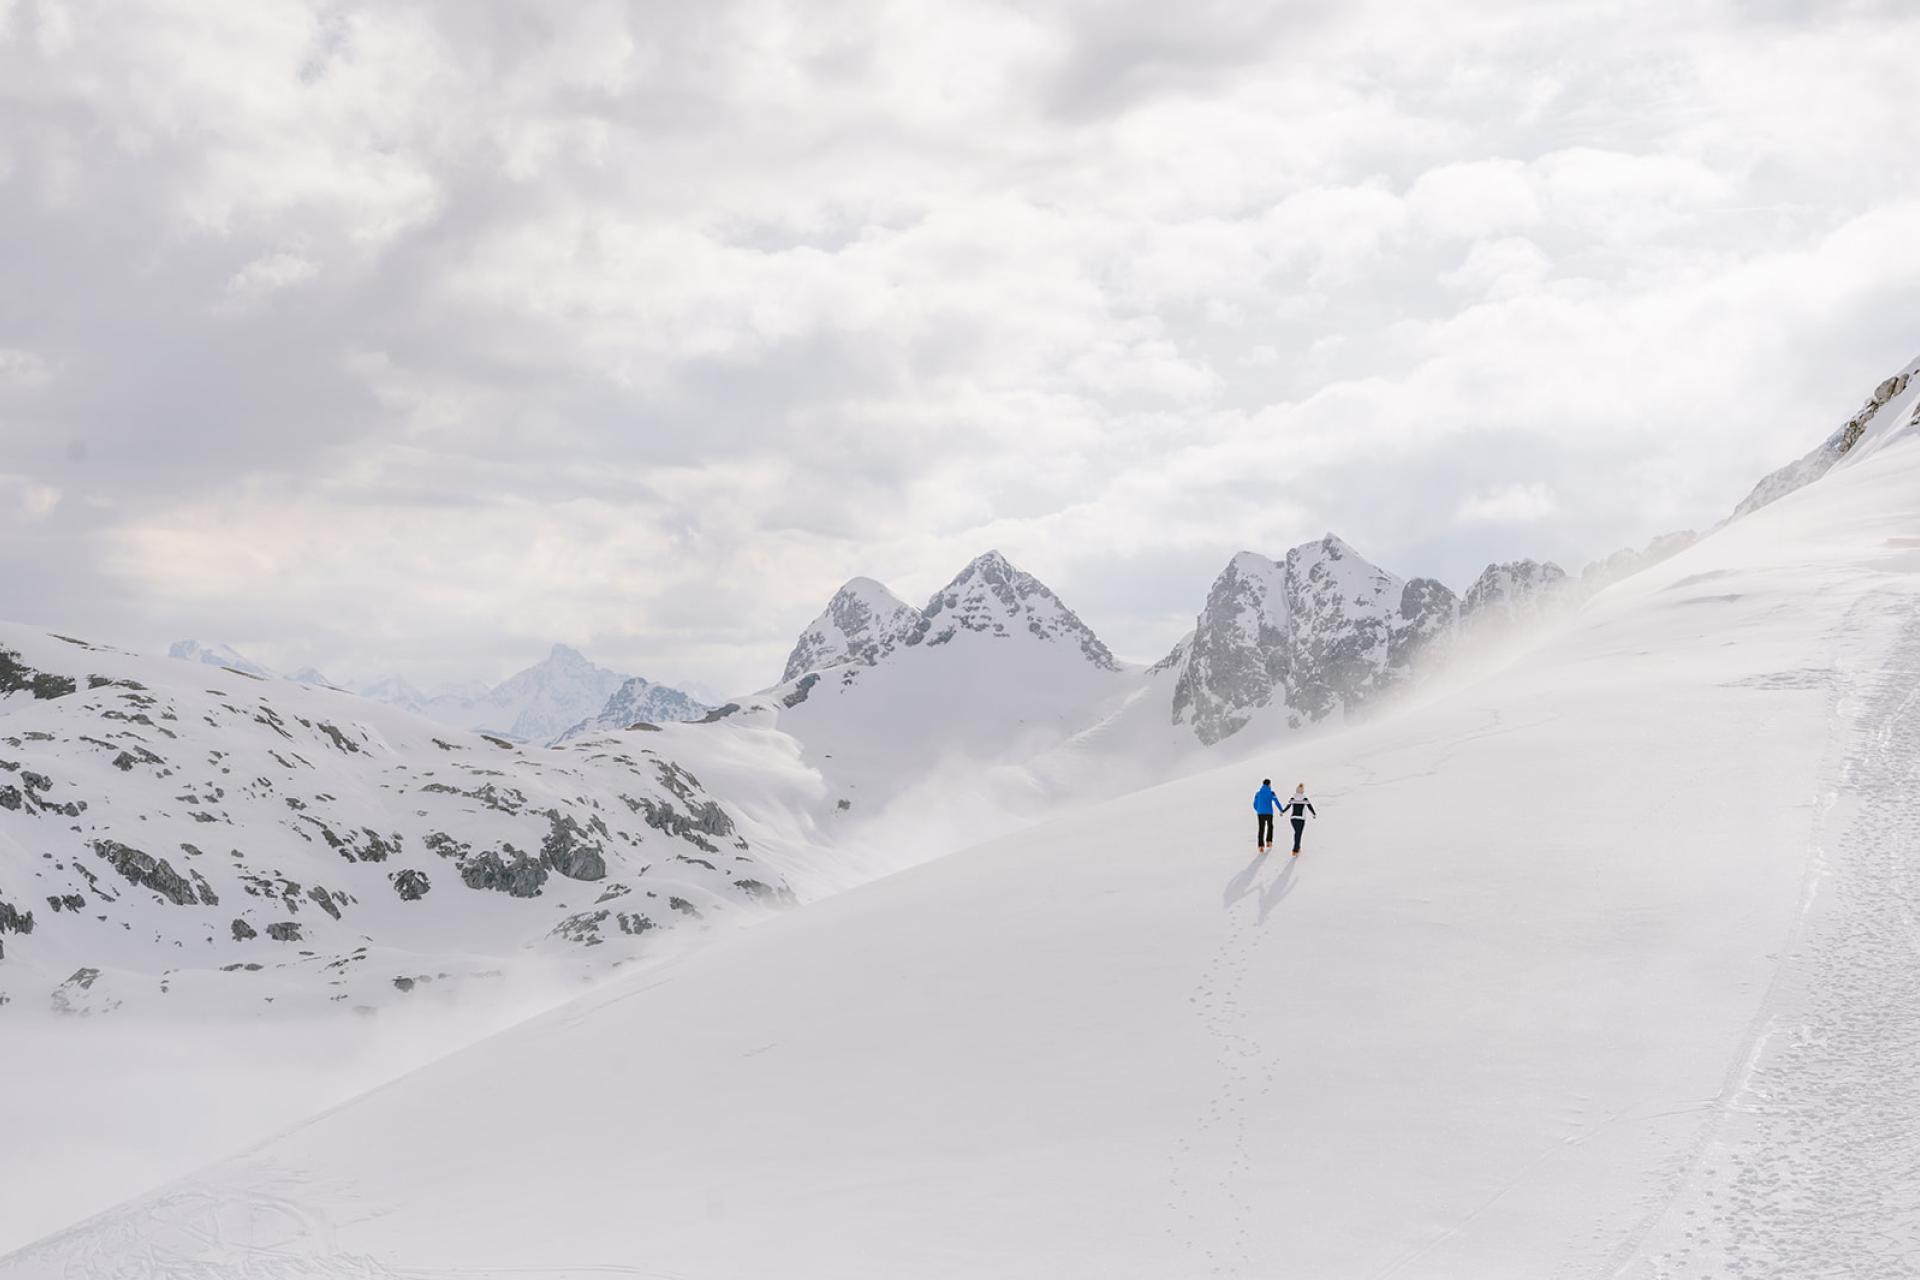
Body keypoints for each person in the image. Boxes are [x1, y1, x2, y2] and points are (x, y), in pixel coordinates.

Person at [1284, 783, 1317, 856]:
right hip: (1301, 819)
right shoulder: (1304, 798)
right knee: (1298, 834)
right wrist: (1314, 814)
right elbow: (1310, 807)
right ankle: (1295, 850)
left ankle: (1297, 848)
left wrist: (1283, 811)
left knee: (1297, 833)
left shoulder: (1293, 797)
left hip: (1293, 819)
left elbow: (1288, 806)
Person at [1252, 778, 1279, 853]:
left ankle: (1261, 846)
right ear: (1269, 784)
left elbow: (1254, 804)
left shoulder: (1258, 793)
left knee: (1261, 828)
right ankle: (1269, 842)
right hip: (1269, 813)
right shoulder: (1271, 793)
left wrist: (1258, 810)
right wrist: (1281, 810)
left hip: (1260, 813)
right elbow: (1276, 801)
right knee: (1270, 826)